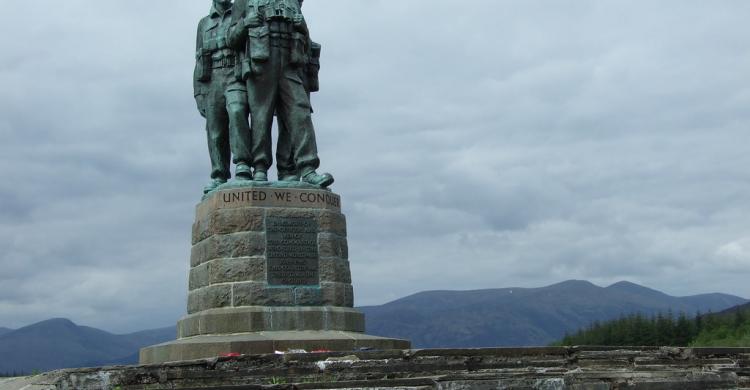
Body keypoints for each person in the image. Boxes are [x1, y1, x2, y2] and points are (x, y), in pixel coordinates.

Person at [229, 0, 333, 187]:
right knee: (261, 115)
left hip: (289, 63)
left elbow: (306, 43)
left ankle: (308, 168)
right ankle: (260, 167)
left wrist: (303, 27)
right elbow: (231, 39)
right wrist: (245, 23)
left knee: (300, 111)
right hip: (261, 61)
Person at [194, 0, 254, 194]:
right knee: (215, 129)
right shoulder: (204, 23)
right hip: (212, 79)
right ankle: (219, 173)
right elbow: (199, 59)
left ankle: (243, 163)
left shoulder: (239, 12)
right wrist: (199, 93)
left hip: (234, 74)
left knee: (237, 111)